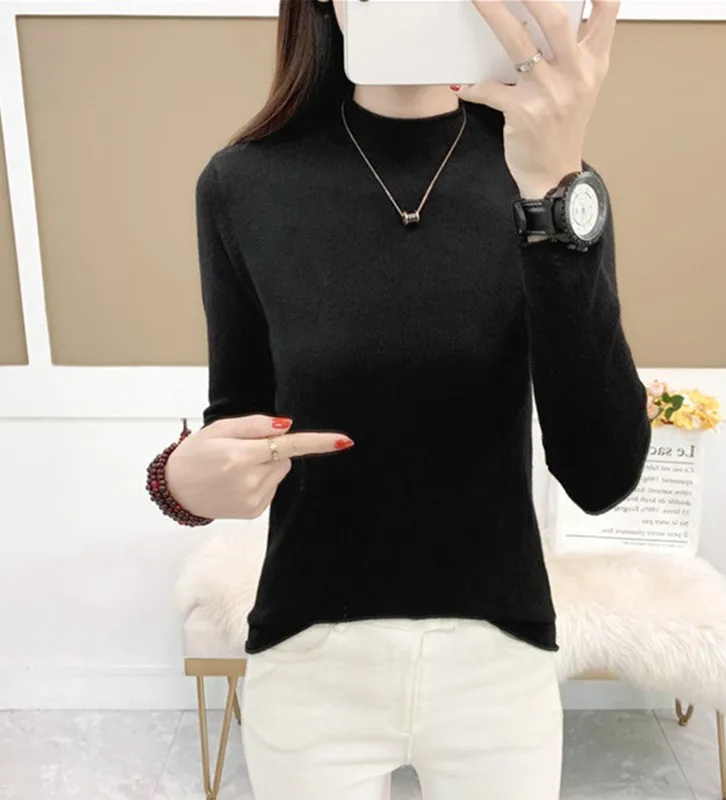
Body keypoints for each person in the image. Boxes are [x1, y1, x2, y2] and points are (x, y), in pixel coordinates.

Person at [145, 0, 651, 797]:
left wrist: (555, 190)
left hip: (499, 658)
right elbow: (238, 423)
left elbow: (602, 474)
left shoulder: (546, 180)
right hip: (310, 660)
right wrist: (178, 481)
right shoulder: (243, 186)